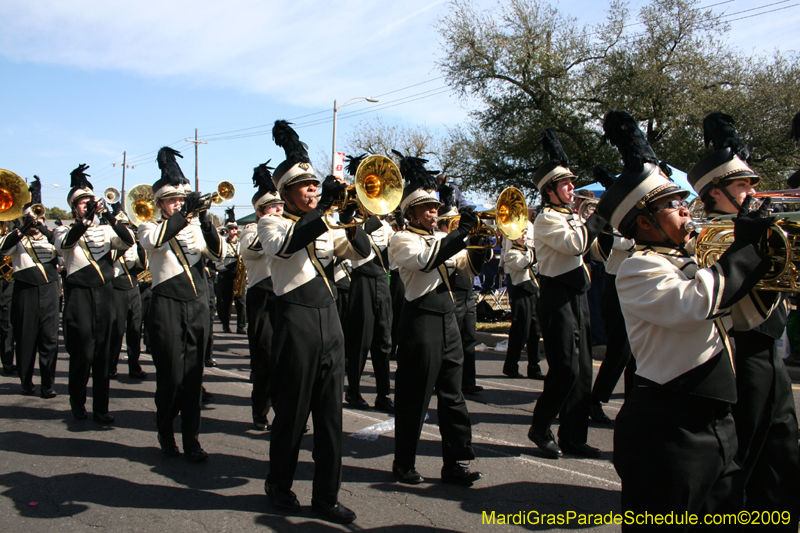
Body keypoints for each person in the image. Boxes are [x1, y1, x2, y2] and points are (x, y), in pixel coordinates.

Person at [597, 109, 774, 528]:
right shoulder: (638, 268)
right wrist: (744, 251)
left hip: (715, 417)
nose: (685, 210)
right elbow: (697, 303)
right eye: (672, 205)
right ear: (644, 222)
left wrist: (763, 255)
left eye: (682, 201)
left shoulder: (688, 256)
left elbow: (739, 309)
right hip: (669, 424)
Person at [687, 112, 800, 528]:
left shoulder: (756, 226)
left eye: (752, 184)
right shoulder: (711, 236)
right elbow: (733, 301)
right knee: (742, 454)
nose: (752, 193)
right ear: (715, 192)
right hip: (740, 353)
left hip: (771, 350)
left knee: (782, 448)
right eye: (742, 185)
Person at [258, 120, 369, 524]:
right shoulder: (272, 222)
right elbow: (287, 247)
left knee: (329, 417)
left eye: (314, 186)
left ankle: (325, 496)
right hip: (296, 321)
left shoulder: (325, 222)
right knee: (292, 413)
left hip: (329, 321)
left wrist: (356, 217)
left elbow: (359, 254)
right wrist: (323, 211)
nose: (312, 190)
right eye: (304, 187)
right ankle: (279, 484)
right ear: (285, 191)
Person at [389, 151, 486, 487]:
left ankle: (455, 461)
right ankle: (403, 462)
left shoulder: (440, 237)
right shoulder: (401, 239)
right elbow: (428, 261)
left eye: (435, 207)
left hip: (448, 320)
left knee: (453, 395)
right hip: (421, 322)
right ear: (410, 211)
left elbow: (466, 267)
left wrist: (481, 241)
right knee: (415, 397)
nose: (434, 212)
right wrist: (459, 235)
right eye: (427, 208)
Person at [138, 147, 222, 461]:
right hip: (167, 306)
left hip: (197, 305)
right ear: (160, 204)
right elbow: (156, 241)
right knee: (171, 378)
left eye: (181, 199)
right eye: (172, 200)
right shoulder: (149, 226)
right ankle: (165, 432)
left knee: (193, 377)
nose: (178, 204)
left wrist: (208, 223)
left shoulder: (197, 226)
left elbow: (218, 255)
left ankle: (192, 440)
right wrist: (185, 214)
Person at [527, 129, 605, 459]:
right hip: (557, 296)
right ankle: (540, 427)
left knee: (584, 370)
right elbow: (575, 245)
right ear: (550, 190)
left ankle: (573, 436)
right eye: (566, 185)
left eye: (572, 184)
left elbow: (595, 253)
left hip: (579, 294)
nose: (572, 189)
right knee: (565, 369)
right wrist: (598, 219)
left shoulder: (570, 215)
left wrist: (609, 228)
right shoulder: (545, 219)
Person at [54, 164, 134, 423]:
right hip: (79, 296)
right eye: (81, 202)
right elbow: (65, 245)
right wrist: (86, 221)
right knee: (82, 355)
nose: (87, 204)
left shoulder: (105, 230)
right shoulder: (62, 230)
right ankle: (77, 403)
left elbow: (128, 241)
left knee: (102, 354)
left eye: (89, 200)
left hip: (105, 293)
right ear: (73, 207)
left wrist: (110, 217)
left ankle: (101, 407)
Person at [343, 154, 395, 414]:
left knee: (383, 342)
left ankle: (383, 394)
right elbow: (361, 249)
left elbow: (393, 258)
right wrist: (369, 218)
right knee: (360, 342)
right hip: (362, 282)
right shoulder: (351, 224)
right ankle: (353, 390)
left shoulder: (385, 226)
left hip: (381, 285)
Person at [0, 177, 60, 397]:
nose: (35, 222)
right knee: (25, 339)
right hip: (25, 291)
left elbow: (64, 248)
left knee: (49, 339)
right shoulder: (18, 240)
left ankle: (48, 384)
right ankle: (26, 381)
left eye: (39, 217)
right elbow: (3, 249)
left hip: (50, 291)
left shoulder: (52, 237)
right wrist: (22, 229)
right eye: (31, 218)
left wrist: (44, 229)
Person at [588, 166, 636, 423]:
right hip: (616, 284)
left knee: (637, 353)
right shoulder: (615, 217)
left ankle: (633, 404)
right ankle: (595, 400)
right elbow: (615, 244)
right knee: (620, 352)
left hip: (638, 284)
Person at [240, 160, 282, 431]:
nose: (279, 210)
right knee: (265, 360)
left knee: (288, 360)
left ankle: (286, 413)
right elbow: (254, 249)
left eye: (281, 206)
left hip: (285, 298)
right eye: (273, 207)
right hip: (262, 300)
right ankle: (260, 411)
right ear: (260, 212)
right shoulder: (250, 231)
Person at [437, 199, 483, 394]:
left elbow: (476, 266)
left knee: (469, 338)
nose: (456, 224)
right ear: (443, 223)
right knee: (450, 341)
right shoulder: (440, 239)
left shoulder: (462, 240)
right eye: (452, 221)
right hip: (452, 291)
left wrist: (478, 240)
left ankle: (468, 381)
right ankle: (445, 381)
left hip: (467, 292)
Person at [501, 223, 544, 381]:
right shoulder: (511, 254)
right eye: (521, 234)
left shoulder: (528, 251)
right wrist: (536, 249)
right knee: (521, 331)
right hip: (521, 293)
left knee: (534, 332)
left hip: (533, 292)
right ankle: (511, 366)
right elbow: (524, 263)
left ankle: (534, 367)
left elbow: (538, 268)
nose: (524, 236)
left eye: (525, 233)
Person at [108, 215, 147, 380]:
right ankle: (111, 366)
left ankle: (134, 365)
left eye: (127, 225)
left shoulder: (133, 240)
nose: (126, 228)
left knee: (135, 329)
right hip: (116, 286)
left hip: (133, 285)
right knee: (116, 331)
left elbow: (141, 265)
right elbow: (110, 259)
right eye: (122, 225)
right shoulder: (110, 239)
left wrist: (140, 247)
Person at [216, 209, 245, 334]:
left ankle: (241, 326)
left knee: (241, 301)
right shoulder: (223, 242)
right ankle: (225, 325)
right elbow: (218, 260)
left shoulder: (240, 242)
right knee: (225, 301)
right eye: (230, 228)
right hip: (226, 273)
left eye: (234, 228)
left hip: (238, 273)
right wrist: (225, 271)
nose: (233, 231)